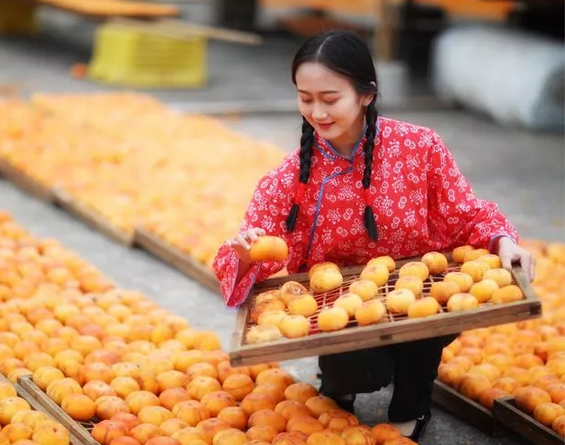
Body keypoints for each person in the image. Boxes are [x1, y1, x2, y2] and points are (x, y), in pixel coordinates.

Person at [212, 30, 535, 442]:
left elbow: (466, 214)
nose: (316, 111)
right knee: (363, 368)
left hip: (421, 293)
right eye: (304, 97)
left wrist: (503, 241)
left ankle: (412, 401)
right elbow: (254, 250)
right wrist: (244, 253)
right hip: (342, 308)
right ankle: (342, 379)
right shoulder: (289, 177)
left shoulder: (419, 148)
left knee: (422, 324)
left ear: (366, 94)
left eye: (330, 99)